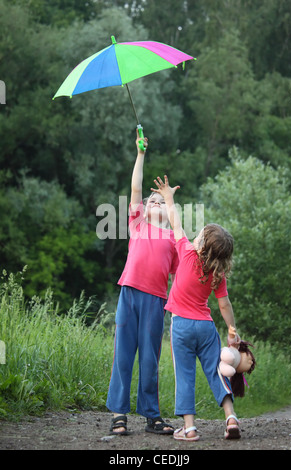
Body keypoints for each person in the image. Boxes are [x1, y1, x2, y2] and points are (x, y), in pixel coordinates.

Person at [151, 175, 242, 441]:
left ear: (201, 243)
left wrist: (168, 197)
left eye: (200, 234)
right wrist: (232, 330)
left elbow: (175, 223)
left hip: (181, 326)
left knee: (186, 376)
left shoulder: (187, 253)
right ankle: (231, 417)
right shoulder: (217, 274)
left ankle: (189, 428)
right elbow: (224, 304)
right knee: (216, 370)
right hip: (205, 327)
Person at [106, 132, 179, 436]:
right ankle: (119, 414)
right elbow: (136, 187)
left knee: (150, 358)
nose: (154, 203)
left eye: (161, 202)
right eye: (152, 200)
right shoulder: (138, 224)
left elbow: (179, 277)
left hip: (155, 302)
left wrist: (176, 308)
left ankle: (152, 415)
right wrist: (140, 154)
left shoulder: (175, 239)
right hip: (129, 294)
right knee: (123, 354)